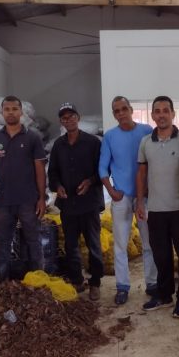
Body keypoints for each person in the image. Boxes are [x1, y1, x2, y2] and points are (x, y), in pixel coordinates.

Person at [136, 96, 179, 317]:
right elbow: (141, 173)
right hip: (156, 211)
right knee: (161, 256)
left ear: (173, 114)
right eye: (157, 111)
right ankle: (164, 295)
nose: (161, 114)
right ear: (152, 115)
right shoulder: (145, 142)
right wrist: (140, 202)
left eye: (165, 110)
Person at [99, 96, 157, 305]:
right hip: (122, 196)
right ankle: (122, 286)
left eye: (124, 109)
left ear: (131, 109)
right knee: (120, 244)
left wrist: (151, 188)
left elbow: (154, 161)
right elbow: (102, 168)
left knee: (149, 242)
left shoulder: (146, 131)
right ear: (114, 114)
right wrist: (112, 191)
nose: (121, 113)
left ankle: (152, 283)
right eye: (117, 111)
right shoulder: (110, 137)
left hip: (146, 196)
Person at [0, 95, 47, 282]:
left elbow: (39, 170)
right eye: (7, 109)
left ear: (21, 112)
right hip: (3, 201)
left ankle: (38, 282)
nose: (10, 112)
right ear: (2, 112)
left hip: (28, 200)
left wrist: (42, 198)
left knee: (33, 241)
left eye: (14, 109)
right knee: (2, 243)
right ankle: (4, 284)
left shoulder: (32, 137)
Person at [48, 102, 104, 301]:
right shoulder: (58, 145)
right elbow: (52, 172)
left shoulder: (93, 143)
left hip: (89, 204)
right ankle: (77, 280)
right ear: (61, 122)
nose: (68, 120)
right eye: (64, 118)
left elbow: (103, 170)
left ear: (78, 118)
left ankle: (95, 283)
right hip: (68, 204)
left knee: (93, 245)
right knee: (71, 245)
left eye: (71, 116)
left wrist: (90, 181)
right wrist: (58, 187)